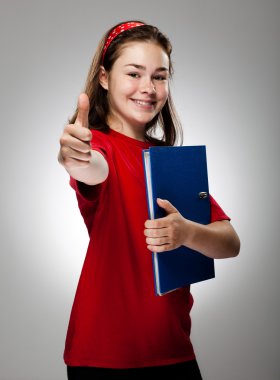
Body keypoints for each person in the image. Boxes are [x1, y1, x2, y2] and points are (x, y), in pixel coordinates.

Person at [58, 20, 240, 380]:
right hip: (102, 357)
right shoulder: (100, 146)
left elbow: (230, 243)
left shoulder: (171, 162)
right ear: (105, 78)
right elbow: (92, 168)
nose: (148, 88)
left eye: (160, 76)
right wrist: (76, 157)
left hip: (172, 349)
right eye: (134, 73)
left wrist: (188, 233)